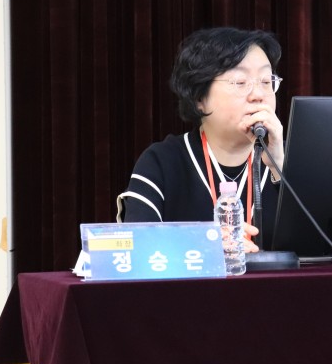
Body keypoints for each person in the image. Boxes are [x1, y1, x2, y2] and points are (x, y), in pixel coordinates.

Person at [116, 27, 286, 253]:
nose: (258, 95)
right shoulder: (162, 161)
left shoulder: (290, 160)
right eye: (240, 82)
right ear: (199, 97)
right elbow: (135, 246)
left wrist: (280, 166)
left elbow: (322, 251)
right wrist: (202, 244)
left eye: (266, 81)